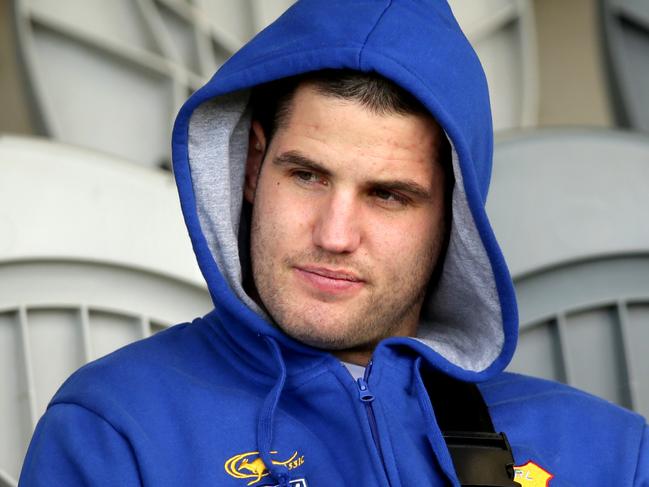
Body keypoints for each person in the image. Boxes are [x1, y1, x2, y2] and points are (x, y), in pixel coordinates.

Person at [19, 1, 649, 486]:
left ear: (454, 222)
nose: (334, 235)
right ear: (251, 168)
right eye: (307, 176)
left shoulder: (610, 454)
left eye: (388, 195)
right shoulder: (115, 430)